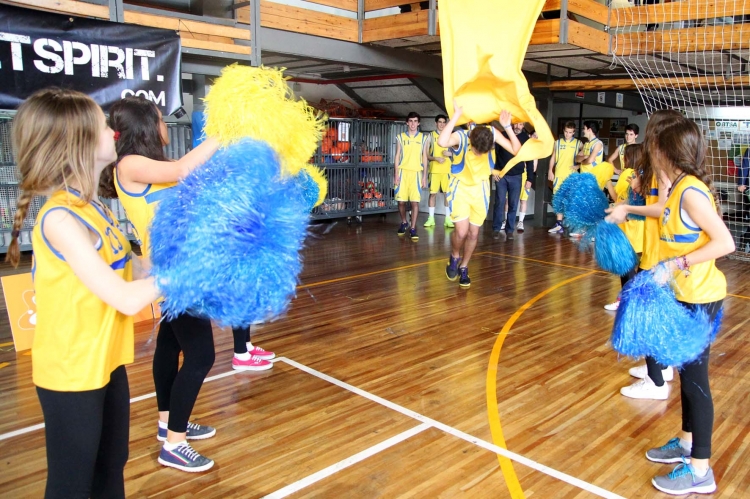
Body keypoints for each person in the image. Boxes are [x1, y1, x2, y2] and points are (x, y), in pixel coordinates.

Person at [7, 88, 161, 498]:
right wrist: (196, 269)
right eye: (102, 125)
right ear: (78, 143)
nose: (113, 131)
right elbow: (126, 298)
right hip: (71, 371)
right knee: (71, 485)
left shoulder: (93, 207)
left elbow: (138, 272)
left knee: (112, 466)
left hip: (106, 361)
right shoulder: (59, 218)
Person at [608, 115, 735, 495]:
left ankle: (700, 471)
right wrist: (627, 209)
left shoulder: (692, 192)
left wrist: (675, 265)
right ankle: (685, 442)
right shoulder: (677, 188)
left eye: (656, 145)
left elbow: (725, 243)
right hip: (684, 295)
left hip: (701, 297)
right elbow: (661, 213)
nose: (650, 150)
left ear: (668, 151)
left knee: (696, 382)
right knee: (686, 376)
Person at [101, 96, 220, 472]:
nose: (165, 125)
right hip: (174, 272)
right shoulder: (130, 163)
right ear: (146, 127)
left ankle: (168, 423)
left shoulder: (147, 165)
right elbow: (185, 168)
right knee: (202, 356)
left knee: (170, 345)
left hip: (178, 267)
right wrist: (226, 132)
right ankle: (175, 444)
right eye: (160, 119)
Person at [608, 111, 683, 399]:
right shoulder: (654, 167)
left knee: (648, 316)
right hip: (654, 249)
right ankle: (662, 368)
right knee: (653, 314)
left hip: (658, 252)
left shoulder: (664, 169)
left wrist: (627, 208)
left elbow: (661, 208)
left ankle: (656, 383)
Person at [438, 100, 520, 288]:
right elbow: (442, 141)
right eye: (477, 151)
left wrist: (507, 127)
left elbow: (516, 150)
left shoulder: (492, 133)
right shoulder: (461, 136)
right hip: (460, 187)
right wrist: (456, 116)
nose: (480, 154)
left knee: (474, 233)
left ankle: (464, 266)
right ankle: (454, 256)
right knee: (461, 231)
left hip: (481, 188)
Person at [603, 144, 644, 312]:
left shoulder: (628, 173)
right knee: (633, 265)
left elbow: (617, 197)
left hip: (629, 225)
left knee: (626, 265)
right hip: (636, 225)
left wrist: (607, 182)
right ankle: (628, 299)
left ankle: (625, 300)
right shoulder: (639, 174)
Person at [491, 121, 533, 240]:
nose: (517, 126)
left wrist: (530, 178)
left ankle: (510, 230)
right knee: (499, 202)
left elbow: (529, 159)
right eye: (516, 124)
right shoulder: (502, 135)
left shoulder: (526, 139)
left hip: (517, 176)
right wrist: (494, 172)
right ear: (512, 124)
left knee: (513, 204)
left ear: (523, 126)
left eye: (520, 124)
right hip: (501, 175)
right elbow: (495, 155)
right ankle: (496, 229)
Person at [394, 112, 429, 241]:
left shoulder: (424, 138)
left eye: (415, 121)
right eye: (411, 121)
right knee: (401, 202)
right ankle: (404, 222)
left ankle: (413, 228)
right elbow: (397, 156)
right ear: (407, 123)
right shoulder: (400, 137)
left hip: (416, 173)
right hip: (403, 172)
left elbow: (425, 157)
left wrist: (424, 176)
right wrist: (396, 174)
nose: (413, 123)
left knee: (415, 202)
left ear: (418, 123)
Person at [548, 121, 581, 233]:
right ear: (563, 131)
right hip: (558, 175)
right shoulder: (557, 143)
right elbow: (553, 157)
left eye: (570, 132)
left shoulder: (579, 143)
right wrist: (550, 170)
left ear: (574, 132)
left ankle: (575, 225)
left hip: (571, 177)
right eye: (566, 132)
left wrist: (579, 166)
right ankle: (559, 224)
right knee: (558, 200)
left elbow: (587, 156)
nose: (568, 134)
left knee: (572, 201)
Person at [424, 114, 454, 228]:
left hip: (447, 170)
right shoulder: (430, 136)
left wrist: (450, 153)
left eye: (443, 122)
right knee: (432, 194)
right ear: (436, 123)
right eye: (439, 122)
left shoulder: (450, 135)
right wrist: (435, 158)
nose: (441, 124)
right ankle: (431, 218)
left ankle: (448, 219)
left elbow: (458, 152)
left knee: (447, 194)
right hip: (434, 170)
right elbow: (426, 155)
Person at [516, 130, 539, 233]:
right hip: (515, 175)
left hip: (526, 177)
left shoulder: (535, 151)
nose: (535, 138)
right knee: (509, 200)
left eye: (537, 137)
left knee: (523, 200)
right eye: (534, 135)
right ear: (530, 135)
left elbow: (534, 168)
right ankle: (506, 221)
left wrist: (529, 179)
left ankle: (520, 222)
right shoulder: (520, 145)